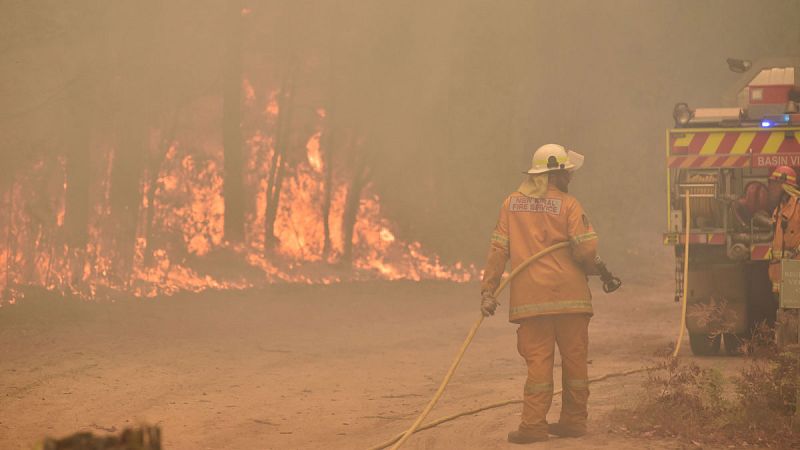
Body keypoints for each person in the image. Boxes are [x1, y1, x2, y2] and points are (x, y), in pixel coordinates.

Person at [480, 143, 599, 444]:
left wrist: (488, 290)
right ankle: (573, 421)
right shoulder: (570, 205)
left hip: (531, 301)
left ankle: (533, 427)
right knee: (575, 364)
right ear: (553, 175)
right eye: (566, 173)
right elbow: (586, 248)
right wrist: (591, 265)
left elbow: (497, 250)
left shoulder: (511, 204)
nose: (570, 178)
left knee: (538, 365)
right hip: (571, 298)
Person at [767, 165, 800, 347]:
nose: (770, 188)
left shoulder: (798, 206)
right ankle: (785, 359)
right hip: (781, 278)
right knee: (784, 316)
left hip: (795, 276)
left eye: (774, 184)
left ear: (784, 185)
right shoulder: (779, 209)